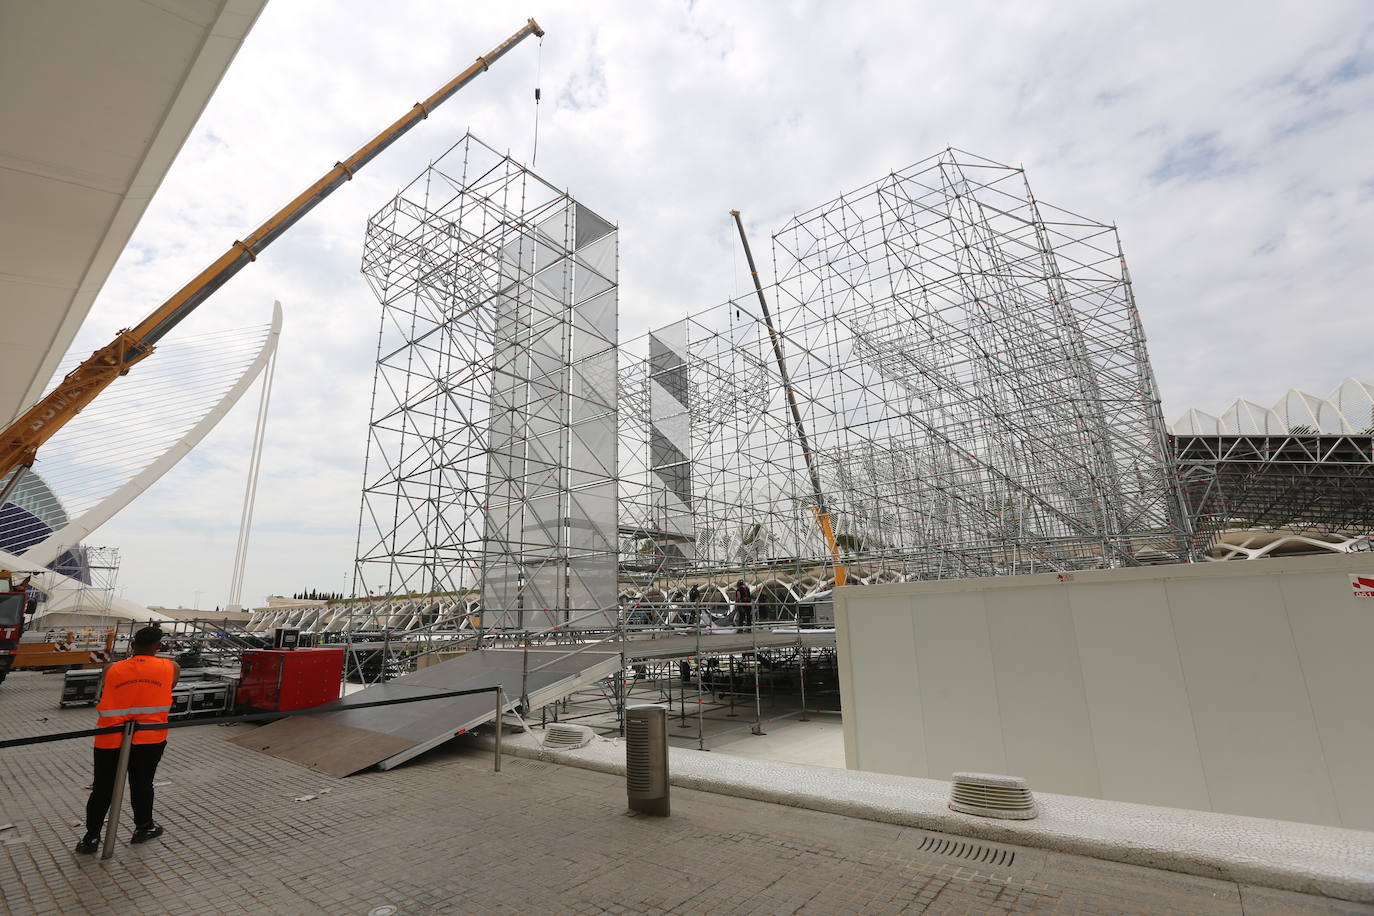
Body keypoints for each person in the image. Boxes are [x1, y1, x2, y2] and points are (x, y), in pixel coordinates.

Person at [75, 626, 180, 853]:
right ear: (158, 647)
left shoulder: (111, 668)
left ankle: (90, 838)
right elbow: (169, 688)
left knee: (103, 787)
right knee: (142, 783)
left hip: (109, 738)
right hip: (150, 738)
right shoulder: (171, 668)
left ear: (132, 645)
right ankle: (143, 827)